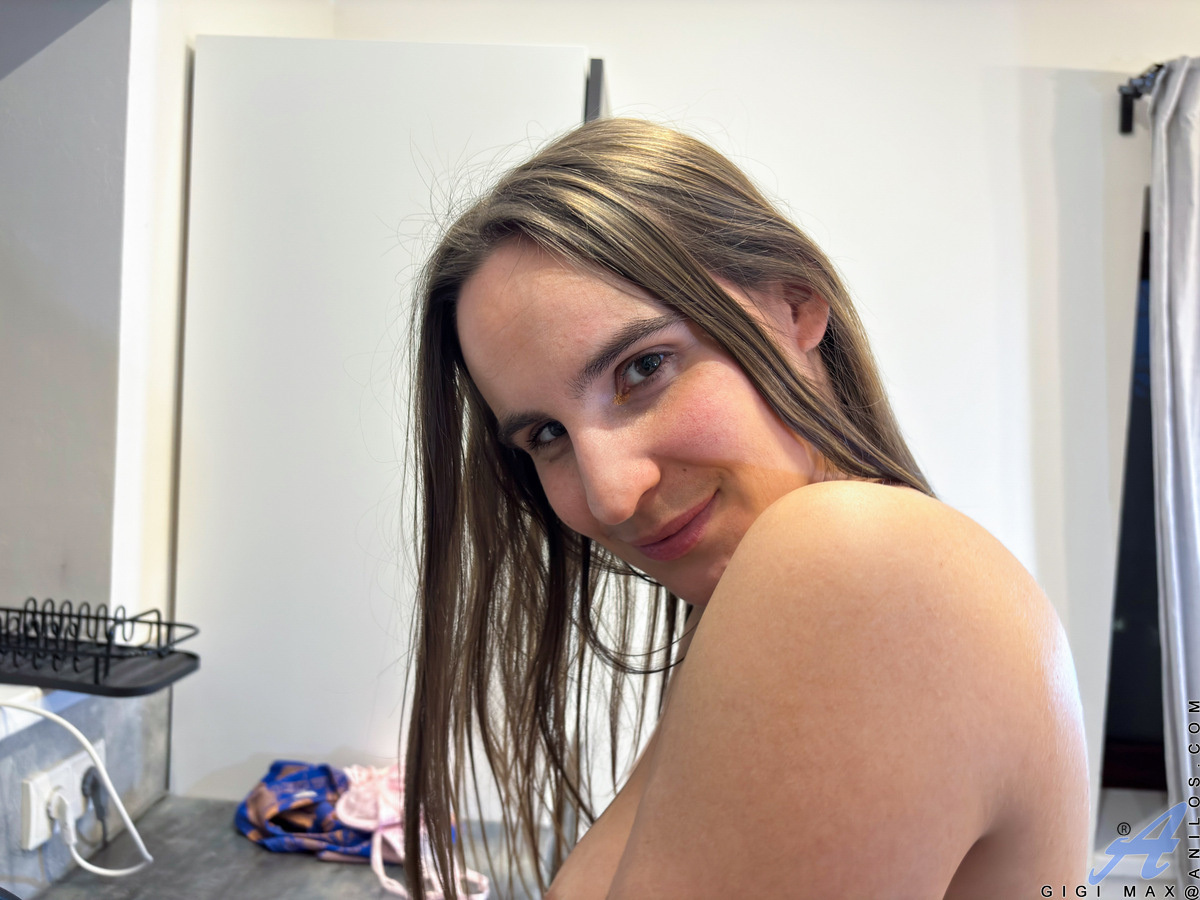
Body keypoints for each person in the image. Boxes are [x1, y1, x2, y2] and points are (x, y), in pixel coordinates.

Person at [401, 117, 1090, 899]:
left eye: (643, 368)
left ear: (795, 306)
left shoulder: (850, 557)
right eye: (547, 435)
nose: (609, 495)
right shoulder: (760, 599)